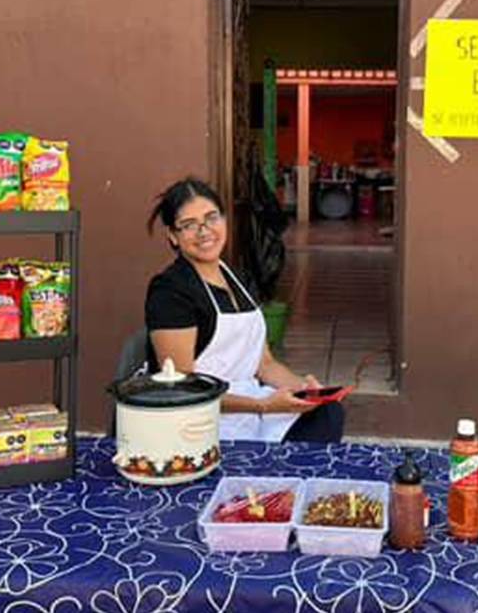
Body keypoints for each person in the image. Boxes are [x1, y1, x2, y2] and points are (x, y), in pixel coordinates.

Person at [144, 177, 345, 443]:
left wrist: (304, 390)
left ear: (224, 220)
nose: (204, 232)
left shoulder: (239, 279)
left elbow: (265, 364)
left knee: (328, 413)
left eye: (211, 218)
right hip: (200, 419)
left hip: (251, 406)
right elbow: (183, 389)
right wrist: (262, 406)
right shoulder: (170, 291)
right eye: (189, 225)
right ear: (173, 236)